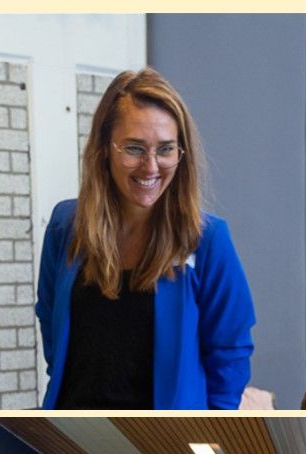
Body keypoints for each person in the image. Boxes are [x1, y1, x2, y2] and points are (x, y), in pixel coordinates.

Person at [35, 68, 254, 410]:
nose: (151, 167)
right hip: (78, 434)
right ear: (104, 149)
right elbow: (51, 323)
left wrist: (211, 431)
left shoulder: (207, 241)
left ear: (181, 154)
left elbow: (230, 352)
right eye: (134, 148)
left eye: (166, 149)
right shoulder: (66, 226)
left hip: (163, 443)